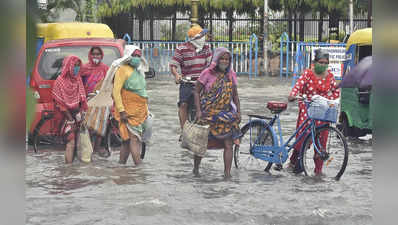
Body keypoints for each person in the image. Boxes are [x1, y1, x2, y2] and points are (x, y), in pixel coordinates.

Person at [288, 49, 340, 175]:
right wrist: (293, 95)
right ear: (314, 62)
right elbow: (298, 86)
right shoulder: (307, 74)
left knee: (321, 143)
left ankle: (318, 171)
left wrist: (332, 101)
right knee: (302, 139)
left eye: (325, 63)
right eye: (320, 62)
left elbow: (335, 92)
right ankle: (294, 162)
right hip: (308, 110)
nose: (322, 65)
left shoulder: (330, 77)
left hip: (323, 113)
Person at [194, 47, 242, 178]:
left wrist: (238, 111)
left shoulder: (231, 74)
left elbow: (235, 95)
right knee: (201, 144)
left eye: (227, 59)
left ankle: (227, 174)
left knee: (228, 144)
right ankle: (196, 170)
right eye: (222, 58)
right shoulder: (206, 73)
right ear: (216, 59)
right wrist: (198, 111)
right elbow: (196, 91)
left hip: (225, 114)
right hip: (208, 113)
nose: (225, 61)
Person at [169, 25, 212, 141]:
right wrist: (177, 75)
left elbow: (210, 65)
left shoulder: (206, 48)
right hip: (187, 82)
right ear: (195, 38)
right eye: (202, 36)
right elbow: (173, 65)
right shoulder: (181, 49)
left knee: (206, 105)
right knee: (183, 104)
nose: (204, 38)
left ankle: (203, 129)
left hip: (202, 82)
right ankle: (184, 131)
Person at [112, 47, 149, 165]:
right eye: (135, 55)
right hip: (128, 111)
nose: (137, 58)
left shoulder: (139, 71)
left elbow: (142, 92)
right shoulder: (122, 70)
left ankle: (121, 166)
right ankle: (138, 168)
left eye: (139, 56)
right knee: (134, 138)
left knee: (126, 141)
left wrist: (146, 110)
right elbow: (116, 92)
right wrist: (121, 111)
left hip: (140, 111)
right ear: (128, 56)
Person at [51, 55, 88, 164]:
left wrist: (80, 115)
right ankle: (68, 170)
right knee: (71, 141)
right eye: (74, 66)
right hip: (64, 116)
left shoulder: (78, 79)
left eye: (78, 66)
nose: (76, 68)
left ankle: (73, 171)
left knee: (79, 141)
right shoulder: (60, 81)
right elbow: (59, 103)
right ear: (68, 66)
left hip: (77, 115)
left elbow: (81, 98)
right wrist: (70, 119)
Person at [80, 46, 109, 157]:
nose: (96, 56)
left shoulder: (105, 69)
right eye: (94, 54)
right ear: (90, 55)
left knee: (101, 124)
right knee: (88, 125)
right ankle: (89, 147)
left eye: (98, 54)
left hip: (101, 100)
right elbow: (80, 84)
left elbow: (108, 84)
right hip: (88, 100)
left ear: (101, 56)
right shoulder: (84, 68)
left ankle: (97, 147)